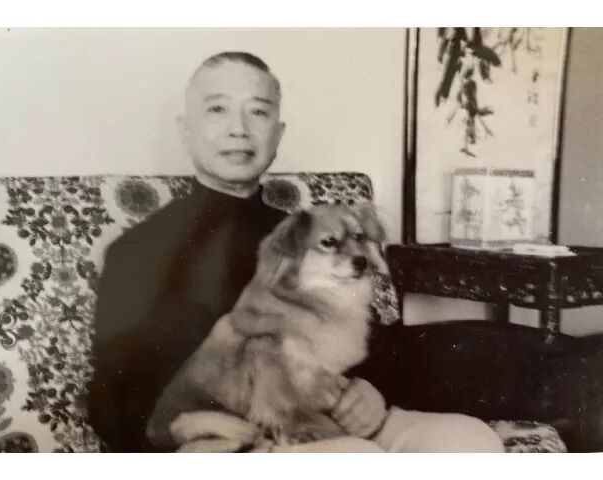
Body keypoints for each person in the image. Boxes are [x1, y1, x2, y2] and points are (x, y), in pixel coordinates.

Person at [87, 51, 503, 453]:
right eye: (217, 109)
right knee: (356, 458)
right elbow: (113, 397)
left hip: (332, 415)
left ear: (278, 133)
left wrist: (375, 390)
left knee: (469, 443)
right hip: (233, 437)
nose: (239, 129)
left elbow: (373, 340)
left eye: (258, 111)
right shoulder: (138, 250)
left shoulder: (312, 231)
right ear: (186, 130)